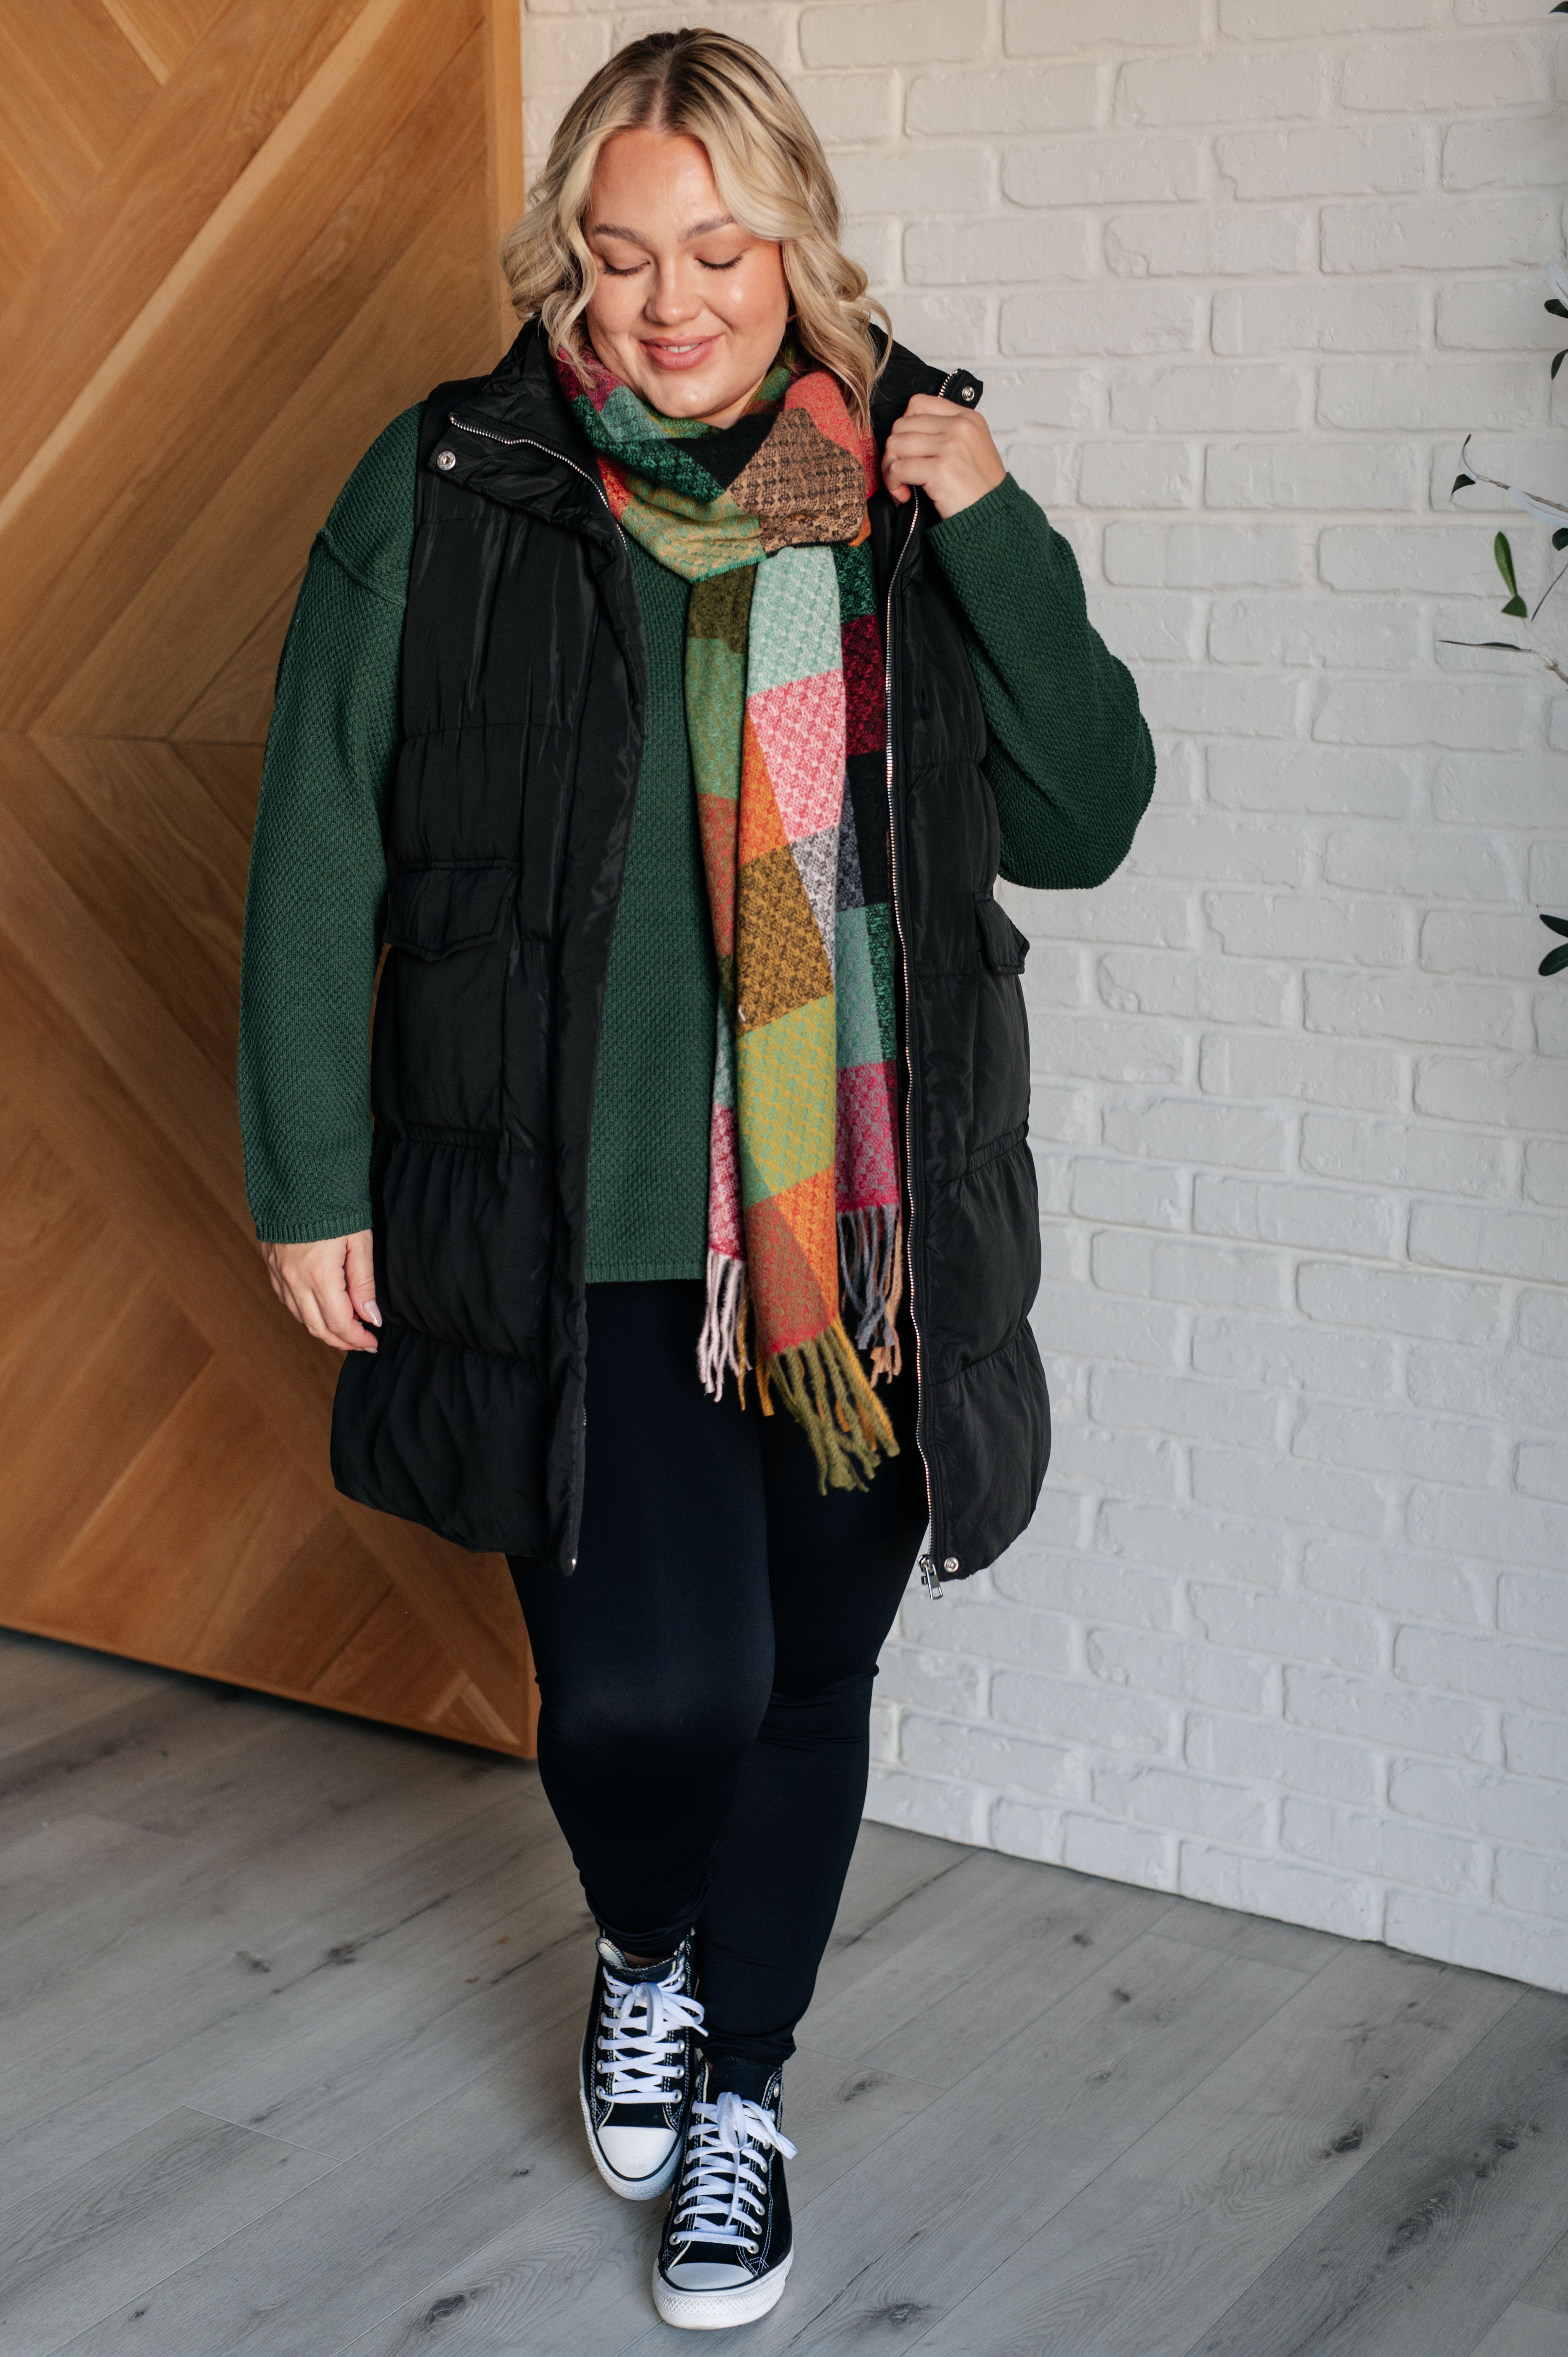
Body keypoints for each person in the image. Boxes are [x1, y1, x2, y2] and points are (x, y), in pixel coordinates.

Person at [239, 27, 1153, 2332]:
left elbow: (1082, 817)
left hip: (844, 1234)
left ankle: (737, 2079)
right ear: (570, 254)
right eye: (624, 252)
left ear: (796, 248)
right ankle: (646, 1946)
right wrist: (310, 1174)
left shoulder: (900, 484)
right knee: (649, 1697)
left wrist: (1001, 516)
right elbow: (317, 826)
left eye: (721, 250)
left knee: (807, 1679)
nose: (671, 302)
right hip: (579, 1212)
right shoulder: (455, 476)